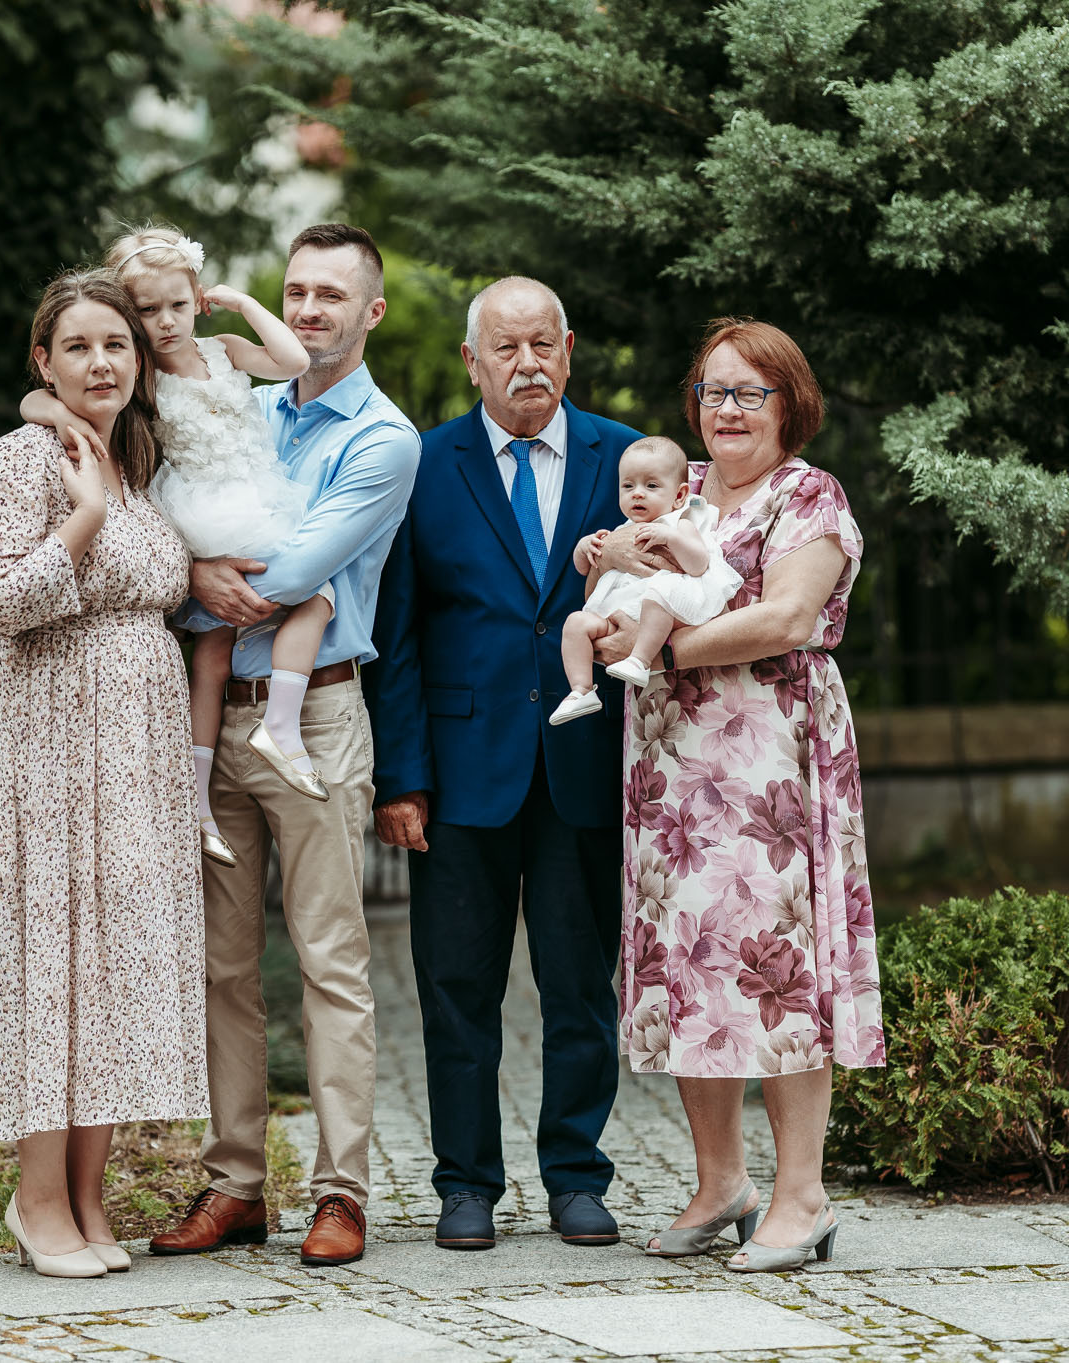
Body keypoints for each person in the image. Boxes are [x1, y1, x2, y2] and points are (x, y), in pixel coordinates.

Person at [147, 224, 419, 1270]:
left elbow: (293, 572)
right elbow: (167, 530)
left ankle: (341, 1191)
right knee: (221, 964)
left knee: (329, 960)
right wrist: (188, 569)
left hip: (316, 717)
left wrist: (196, 573)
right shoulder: (245, 402)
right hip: (213, 715)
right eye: (297, 289)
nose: (308, 309)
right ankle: (234, 1184)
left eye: (330, 295)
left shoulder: (383, 440)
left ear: (370, 312)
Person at [367, 275, 655, 1252]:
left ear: (568, 351)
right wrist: (400, 778)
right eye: (505, 347)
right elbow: (397, 633)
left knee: (580, 986)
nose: (526, 364)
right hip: (460, 774)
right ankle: (464, 1184)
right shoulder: (424, 465)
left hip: (587, 762)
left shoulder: (627, 459)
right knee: (456, 989)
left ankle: (576, 1175)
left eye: (542, 345)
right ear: (471, 362)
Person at [0, 272, 207, 1278]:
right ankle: (37, 1196)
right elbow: (1, 602)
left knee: (113, 961)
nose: (101, 363)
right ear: (42, 362)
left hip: (132, 747)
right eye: (79, 346)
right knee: (50, 958)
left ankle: (89, 1197)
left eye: (116, 345)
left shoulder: (136, 462)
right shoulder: (20, 460)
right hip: (46, 741)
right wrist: (83, 514)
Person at [622, 318, 886, 1273]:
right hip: (671, 768)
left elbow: (786, 616)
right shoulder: (679, 488)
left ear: (790, 403)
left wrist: (661, 652)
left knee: (779, 967)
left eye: (749, 393)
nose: (726, 410)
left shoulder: (808, 494)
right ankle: (720, 1183)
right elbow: (619, 579)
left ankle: (802, 1195)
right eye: (712, 392)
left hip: (771, 761)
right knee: (691, 961)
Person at [20, 226, 320, 869]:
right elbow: (34, 397)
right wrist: (63, 415)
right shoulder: (142, 374)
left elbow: (295, 362)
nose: (165, 322)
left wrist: (242, 302)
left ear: (198, 300)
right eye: (148, 310)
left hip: (253, 491)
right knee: (243, 632)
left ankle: (266, 738)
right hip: (204, 505)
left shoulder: (225, 348)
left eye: (178, 305)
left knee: (247, 629)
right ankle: (222, 781)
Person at [549, 435, 742, 724]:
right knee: (575, 623)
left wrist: (671, 538)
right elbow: (583, 568)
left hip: (662, 612)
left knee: (658, 594)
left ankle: (639, 659)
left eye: (651, 486)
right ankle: (581, 689)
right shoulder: (622, 530)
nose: (637, 494)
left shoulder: (681, 523)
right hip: (622, 614)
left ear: (679, 495)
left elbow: (699, 564)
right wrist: (585, 547)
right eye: (628, 486)